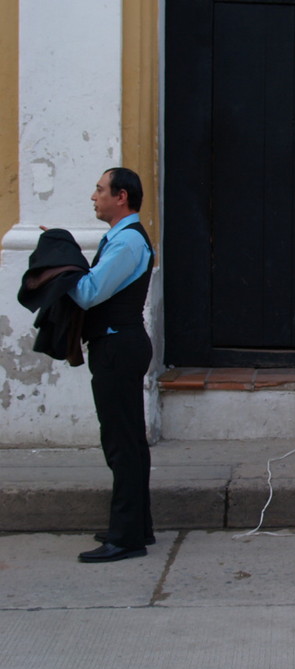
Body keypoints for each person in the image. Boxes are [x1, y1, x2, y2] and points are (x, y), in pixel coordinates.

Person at [71, 168, 156, 563]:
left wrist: (59, 260)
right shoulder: (122, 239)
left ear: (121, 197)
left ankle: (126, 538)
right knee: (129, 441)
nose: (94, 196)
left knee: (121, 444)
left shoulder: (125, 244)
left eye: (100, 189)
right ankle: (136, 526)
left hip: (118, 347)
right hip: (120, 345)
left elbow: (88, 292)